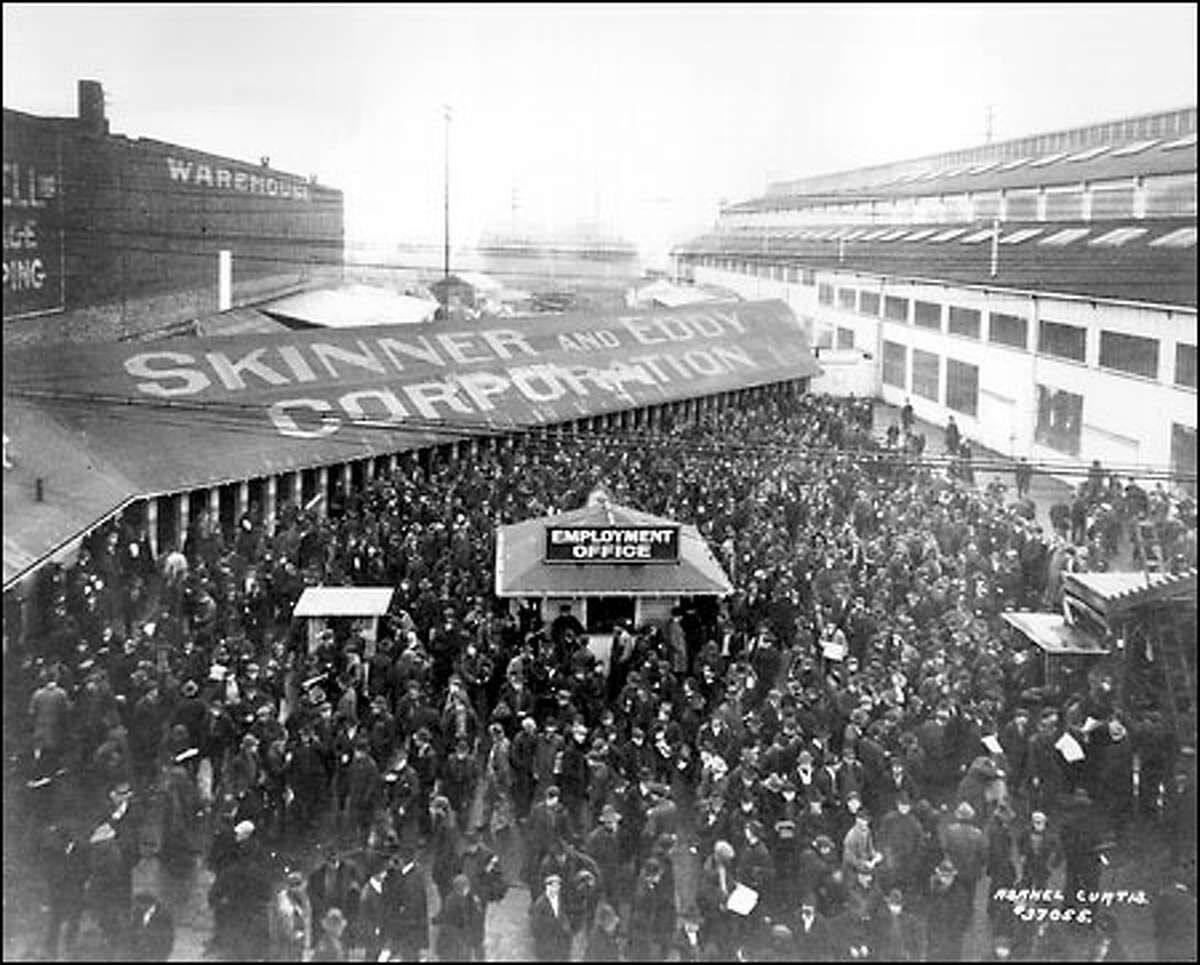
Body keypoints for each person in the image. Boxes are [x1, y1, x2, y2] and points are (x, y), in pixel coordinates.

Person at [434, 873, 485, 962]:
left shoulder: (451, 898)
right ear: (462, 888)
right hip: (457, 943)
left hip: (451, 942)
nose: (468, 889)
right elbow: (465, 921)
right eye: (467, 887)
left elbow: (442, 915)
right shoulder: (459, 901)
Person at [530, 873, 573, 962]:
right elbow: (535, 926)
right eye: (553, 886)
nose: (555, 889)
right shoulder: (540, 904)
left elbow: (564, 915)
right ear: (547, 887)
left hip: (560, 942)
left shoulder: (561, 900)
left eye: (557, 886)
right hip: (547, 943)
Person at [127, 892, 175, 962]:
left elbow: (167, 942)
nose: (136, 907)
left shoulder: (164, 917)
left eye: (139, 905)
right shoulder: (138, 913)